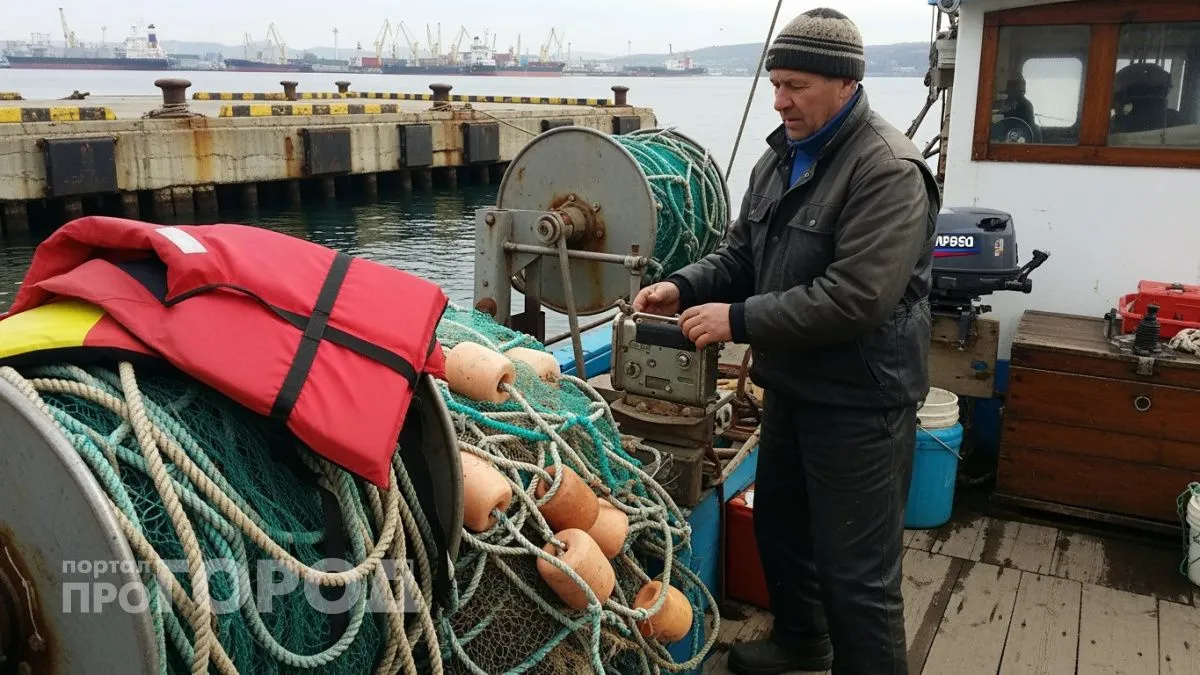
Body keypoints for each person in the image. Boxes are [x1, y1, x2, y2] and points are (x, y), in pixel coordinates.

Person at [633, 8, 940, 675]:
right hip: (795, 386)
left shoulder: (888, 170)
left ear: (844, 83)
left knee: (859, 574)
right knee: (781, 529)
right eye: (775, 83)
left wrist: (736, 320)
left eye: (795, 85)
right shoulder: (781, 160)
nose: (780, 100)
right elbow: (741, 253)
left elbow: (857, 297)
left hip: (863, 400)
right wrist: (682, 286)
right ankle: (804, 642)